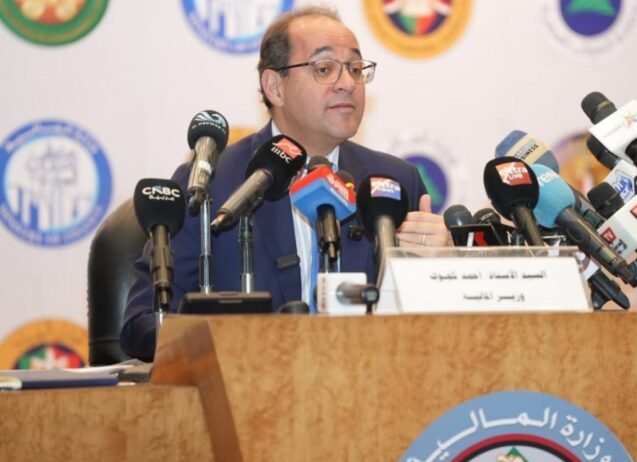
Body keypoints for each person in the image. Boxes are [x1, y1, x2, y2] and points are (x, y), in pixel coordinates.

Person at [120, 6, 450, 361]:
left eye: (355, 68)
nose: (347, 83)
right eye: (324, 68)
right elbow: (143, 324)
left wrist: (441, 271)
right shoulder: (212, 184)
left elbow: (436, 334)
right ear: (274, 87)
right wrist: (238, 343)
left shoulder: (394, 181)